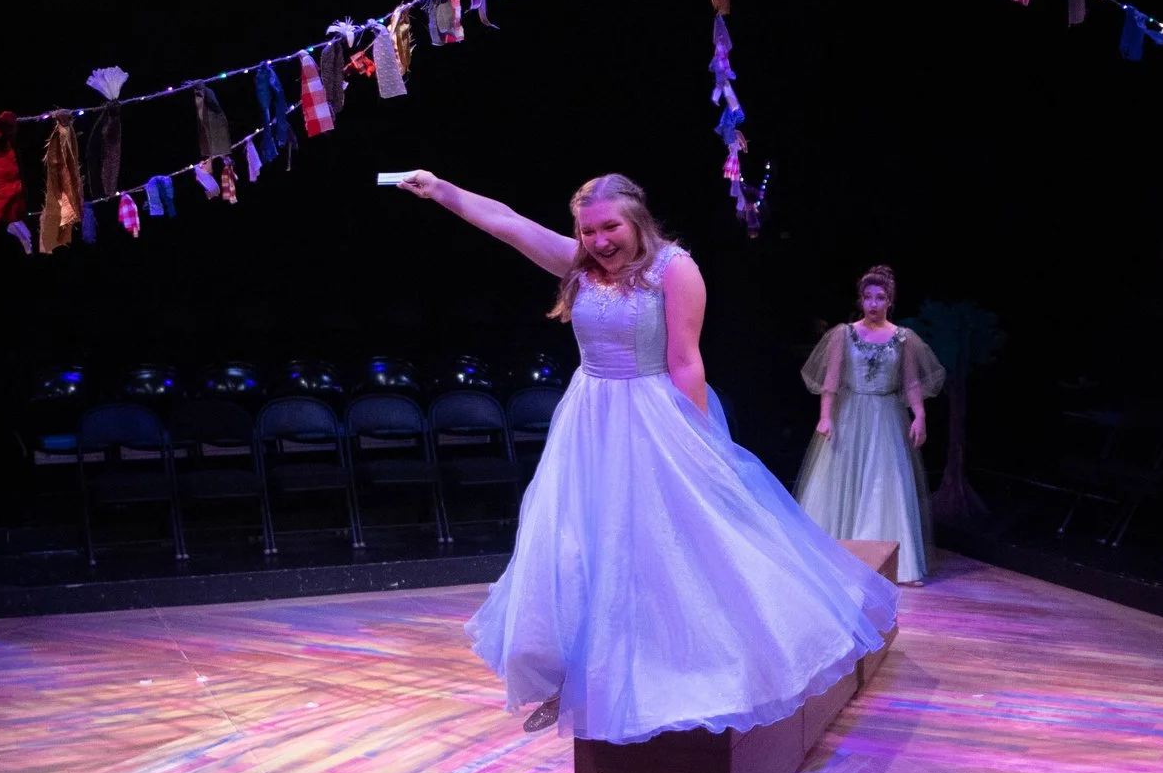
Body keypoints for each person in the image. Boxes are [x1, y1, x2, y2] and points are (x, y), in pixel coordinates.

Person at [395, 169, 895, 741]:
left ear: (636, 219)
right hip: (589, 420)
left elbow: (685, 360)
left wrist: (700, 442)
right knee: (579, 545)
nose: (599, 241)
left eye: (610, 227)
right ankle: (579, 674)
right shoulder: (580, 264)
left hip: (652, 415)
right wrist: (442, 190)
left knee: (664, 544)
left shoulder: (673, 269)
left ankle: (682, 670)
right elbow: (508, 223)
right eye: (587, 231)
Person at [794, 266, 946, 584]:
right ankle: (832, 558)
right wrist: (825, 415)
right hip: (850, 413)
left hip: (886, 417)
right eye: (867, 297)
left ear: (890, 301)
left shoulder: (903, 339)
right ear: (860, 300)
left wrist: (920, 415)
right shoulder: (844, 334)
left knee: (883, 483)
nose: (873, 304)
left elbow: (911, 382)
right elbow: (831, 380)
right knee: (842, 480)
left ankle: (893, 566)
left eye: (879, 298)